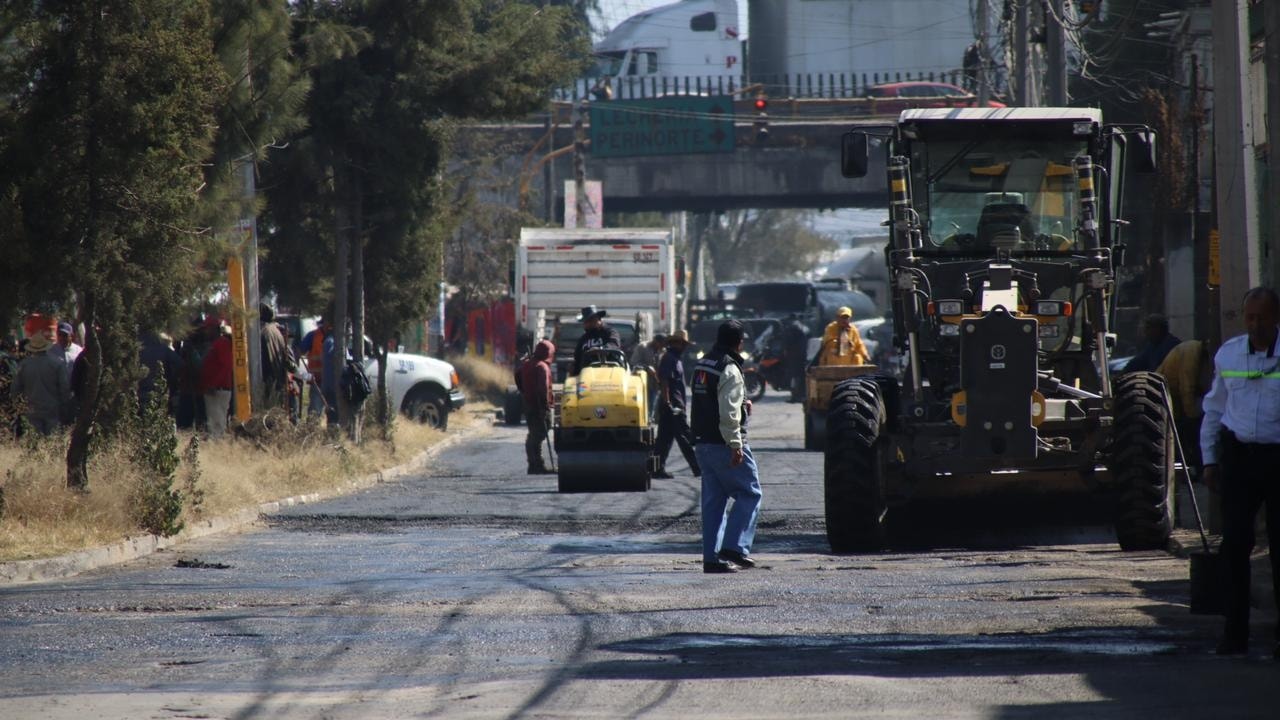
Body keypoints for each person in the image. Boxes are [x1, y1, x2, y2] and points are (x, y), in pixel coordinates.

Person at [1199, 287, 1280, 657]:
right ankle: (1235, 636)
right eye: (1250, 317)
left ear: (1275, 317)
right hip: (1239, 457)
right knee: (1234, 546)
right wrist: (1210, 460)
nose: (1255, 324)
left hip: (1276, 457)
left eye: (1262, 317)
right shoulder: (1229, 354)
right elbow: (1214, 410)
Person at [691, 320, 761, 574]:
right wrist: (736, 444)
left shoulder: (704, 363)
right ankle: (735, 547)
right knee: (750, 493)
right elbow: (728, 412)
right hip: (723, 443)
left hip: (702, 443)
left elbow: (709, 400)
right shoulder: (729, 368)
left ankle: (712, 559)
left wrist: (743, 405)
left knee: (714, 502)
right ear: (738, 342)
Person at [1157, 339, 1213, 469]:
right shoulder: (1192, 352)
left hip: (1174, 396)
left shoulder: (1199, 354)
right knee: (1186, 432)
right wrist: (1192, 415)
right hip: (1166, 394)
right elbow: (1187, 387)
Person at [653, 330, 700, 479]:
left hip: (674, 403)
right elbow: (664, 381)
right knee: (685, 437)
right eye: (683, 344)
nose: (684, 347)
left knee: (665, 439)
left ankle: (657, 468)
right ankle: (698, 468)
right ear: (676, 343)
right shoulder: (669, 358)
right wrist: (668, 402)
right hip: (673, 404)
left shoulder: (676, 358)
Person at [10, 331, 71, 436]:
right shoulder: (57, 363)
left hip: (31, 409)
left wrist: (18, 407)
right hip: (53, 408)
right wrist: (65, 407)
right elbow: (64, 388)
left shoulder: (24, 365)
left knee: (34, 441)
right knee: (52, 441)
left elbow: (15, 388)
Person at [517, 339, 556, 474]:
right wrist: (544, 405)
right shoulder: (542, 367)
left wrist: (523, 391)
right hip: (539, 405)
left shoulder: (527, 364)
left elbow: (517, 375)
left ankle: (533, 464)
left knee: (533, 434)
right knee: (539, 433)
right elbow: (543, 388)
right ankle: (537, 465)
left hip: (529, 403)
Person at [199, 318, 234, 439]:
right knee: (214, 424)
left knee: (217, 425)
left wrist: (214, 384)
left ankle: (219, 449)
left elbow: (226, 366)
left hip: (218, 390)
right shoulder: (215, 344)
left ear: (214, 329)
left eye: (207, 328)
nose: (205, 332)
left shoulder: (222, 343)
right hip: (214, 389)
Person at [138, 330, 181, 414]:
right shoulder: (163, 349)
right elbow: (180, 365)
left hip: (137, 395)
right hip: (159, 393)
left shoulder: (135, 347)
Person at [572, 305, 622, 376]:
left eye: (592, 320)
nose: (588, 324)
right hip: (587, 372)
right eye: (586, 321)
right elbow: (577, 357)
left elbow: (614, 345)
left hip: (610, 369)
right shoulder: (583, 338)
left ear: (599, 319)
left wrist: (600, 350)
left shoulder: (610, 332)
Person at [300, 316, 333, 420]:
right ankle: (311, 433)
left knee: (333, 414)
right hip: (317, 382)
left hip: (333, 384)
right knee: (314, 412)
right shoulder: (313, 336)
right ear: (324, 322)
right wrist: (304, 376)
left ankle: (332, 434)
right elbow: (299, 352)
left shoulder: (338, 337)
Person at [259, 304, 291, 411]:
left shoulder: (263, 332)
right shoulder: (276, 332)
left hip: (268, 383)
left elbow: (264, 361)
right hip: (278, 382)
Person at [631, 333, 666, 421]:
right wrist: (647, 368)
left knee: (652, 405)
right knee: (644, 404)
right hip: (643, 383)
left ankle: (650, 420)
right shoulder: (642, 347)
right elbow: (634, 362)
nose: (661, 347)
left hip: (655, 383)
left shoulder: (662, 351)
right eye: (660, 344)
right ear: (655, 341)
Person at [783, 313, 810, 402]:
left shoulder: (791, 327)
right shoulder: (804, 327)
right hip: (804, 354)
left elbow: (788, 341)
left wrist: (785, 350)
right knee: (802, 375)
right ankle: (802, 395)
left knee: (794, 376)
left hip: (794, 355)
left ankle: (794, 396)